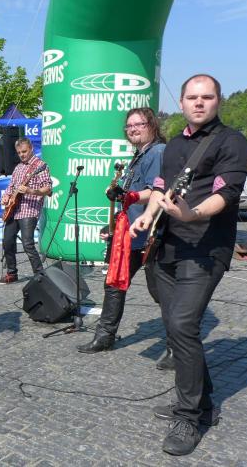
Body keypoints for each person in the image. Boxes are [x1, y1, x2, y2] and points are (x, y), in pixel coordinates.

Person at [130, 74, 247, 456]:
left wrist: (192, 213)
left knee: (183, 324)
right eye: (192, 97)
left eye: (207, 97)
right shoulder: (173, 146)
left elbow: (226, 194)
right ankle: (203, 402)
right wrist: (147, 216)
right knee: (175, 327)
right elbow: (161, 188)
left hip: (206, 248)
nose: (199, 103)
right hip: (167, 246)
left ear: (218, 100)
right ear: (181, 102)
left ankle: (188, 416)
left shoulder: (232, 142)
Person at [77, 107, 167, 358]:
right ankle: (104, 336)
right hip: (129, 235)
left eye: (139, 124)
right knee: (114, 282)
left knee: (160, 292)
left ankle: (179, 344)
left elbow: (155, 191)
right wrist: (114, 225)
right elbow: (129, 200)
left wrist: (130, 195)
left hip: (150, 235)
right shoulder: (138, 155)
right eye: (129, 126)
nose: (133, 129)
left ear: (152, 125)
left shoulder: (157, 152)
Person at [0, 138, 52, 284]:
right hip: (13, 210)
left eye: (24, 151)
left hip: (29, 210)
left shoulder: (40, 165)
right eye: (19, 152)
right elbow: (11, 187)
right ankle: (12, 273)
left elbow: (48, 189)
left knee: (28, 244)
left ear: (31, 148)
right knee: (7, 242)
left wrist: (30, 190)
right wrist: (6, 197)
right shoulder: (18, 167)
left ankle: (40, 276)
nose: (22, 154)